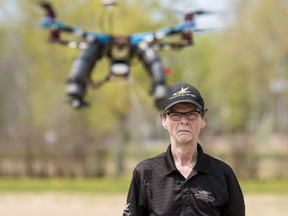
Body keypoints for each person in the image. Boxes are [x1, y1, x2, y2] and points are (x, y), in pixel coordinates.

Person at [123, 82, 245, 216]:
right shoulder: (145, 173)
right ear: (164, 120)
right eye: (175, 114)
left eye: (192, 114)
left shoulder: (223, 174)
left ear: (203, 119)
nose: (184, 121)